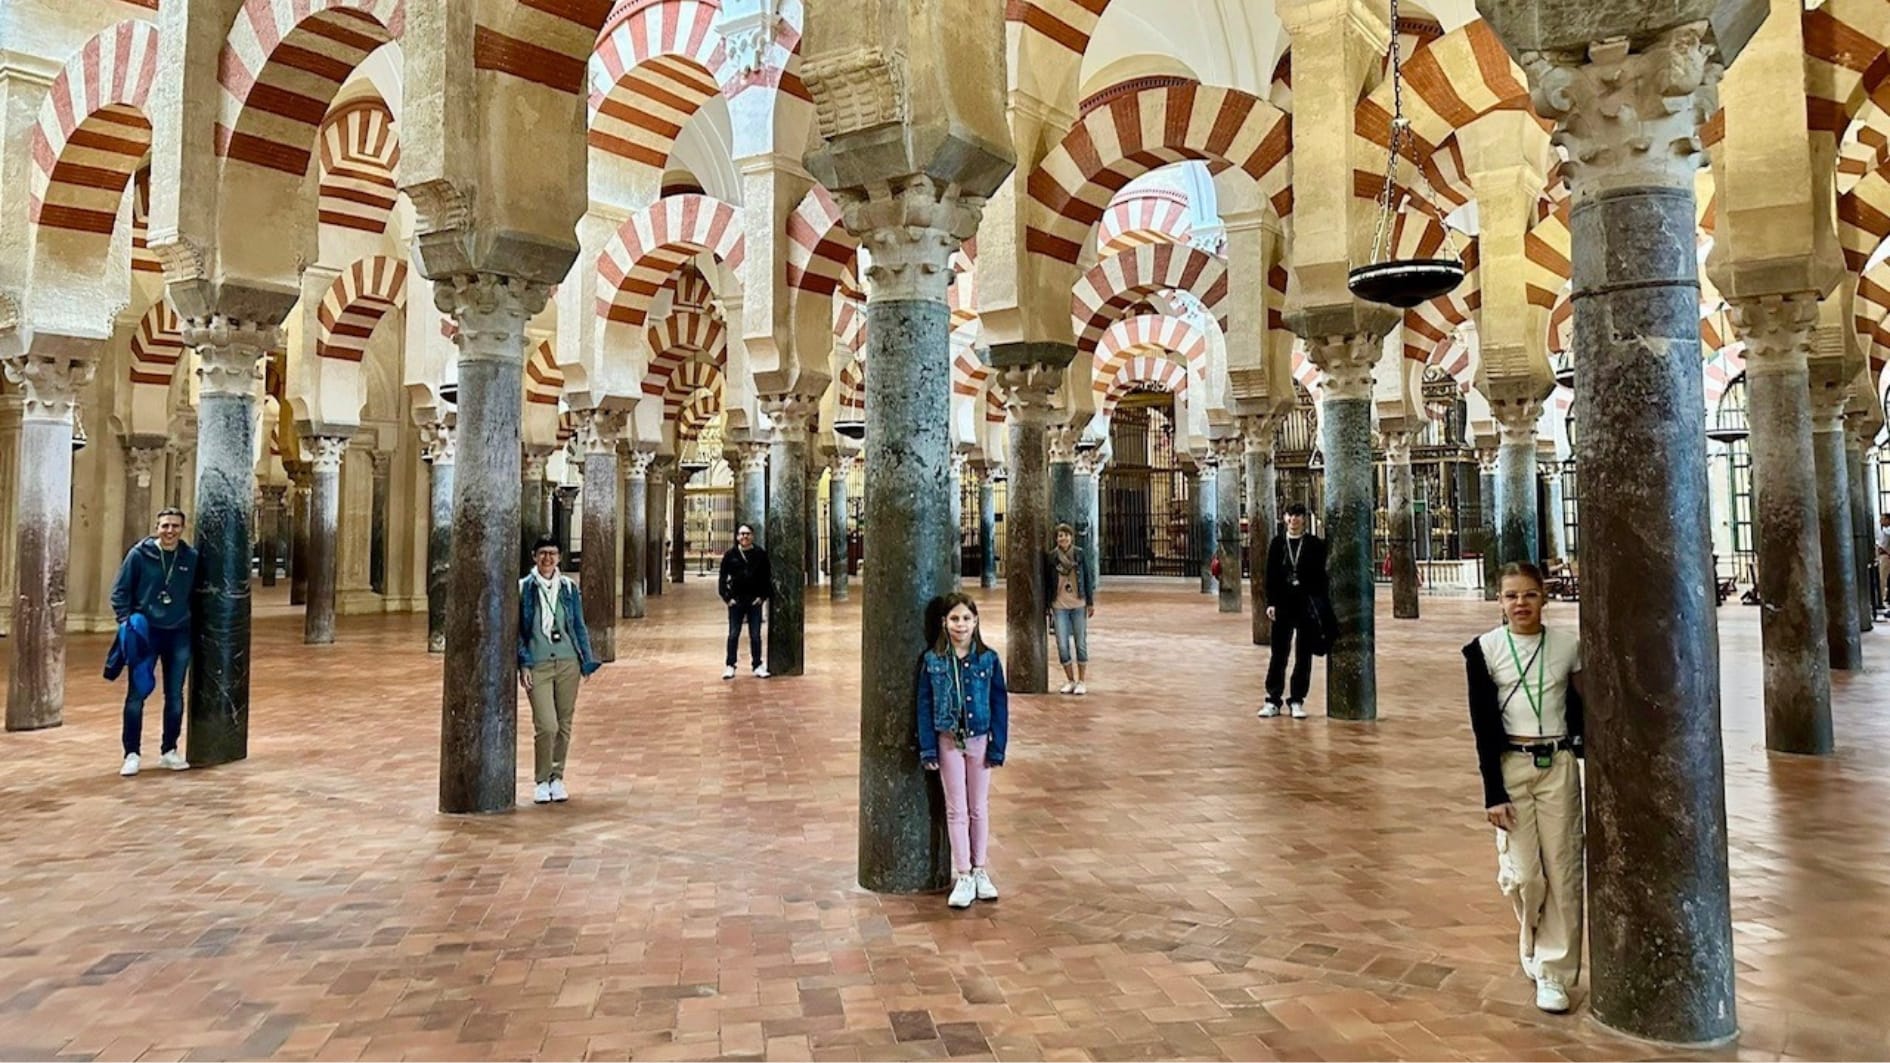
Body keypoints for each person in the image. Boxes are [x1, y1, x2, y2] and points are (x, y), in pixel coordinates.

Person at [1464, 561, 1585, 1014]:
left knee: (1563, 870)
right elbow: (1482, 725)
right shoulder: (1484, 650)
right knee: (1528, 877)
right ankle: (1531, 931)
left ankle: (1553, 972)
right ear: (1499, 601)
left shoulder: (1568, 647)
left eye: (1530, 594)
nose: (1521, 603)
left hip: (1556, 765)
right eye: (1511, 595)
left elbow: (1585, 707)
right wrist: (1492, 793)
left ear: (1544, 598)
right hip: (1510, 766)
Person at [918, 592, 1009, 909]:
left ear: (976, 622)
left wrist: (998, 746)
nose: (961, 625)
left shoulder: (988, 659)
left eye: (966, 618)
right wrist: (928, 748)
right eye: (955, 618)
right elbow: (924, 705)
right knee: (956, 808)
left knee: (978, 807)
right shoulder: (933, 660)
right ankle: (964, 874)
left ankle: (981, 869)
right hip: (947, 742)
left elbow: (999, 703)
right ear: (944, 622)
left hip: (979, 740)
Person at [109, 508, 198, 776]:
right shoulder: (139, 554)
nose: (170, 531)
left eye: (175, 526)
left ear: (182, 528)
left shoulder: (190, 557)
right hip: (146, 633)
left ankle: (169, 750)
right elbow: (120, 591)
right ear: (157, 527)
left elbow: (198, 593)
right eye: (165, 526)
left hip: (178, 633)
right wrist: (126, 621)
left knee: (175, 695)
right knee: (137, 693)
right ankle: (131, 753)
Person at [517, 537, 600, 805]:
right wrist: (524, 663)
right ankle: (542, 780)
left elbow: (578, 625)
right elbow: (518, 631)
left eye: (552, 553)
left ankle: (557, 777)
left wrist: (585, 660)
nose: (547, 558)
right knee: (546, 724)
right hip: (538, 663)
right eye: (542, 553)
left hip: (567, 662)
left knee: (564, 723)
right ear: (534, 556)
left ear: (559, 558)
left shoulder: (568, 588)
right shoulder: (524, 588)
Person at [1260, 502, 1328, 719]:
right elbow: (1270, 575)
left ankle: (1297, 700)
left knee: (1303, 655)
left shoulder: (1314, 544)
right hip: (1283, 604)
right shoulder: (1278, 543)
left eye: (1297, 515)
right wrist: (1271, 602)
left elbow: (1322, 576)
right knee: (1279, 653)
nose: (1293, 519)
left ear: (1304, 519)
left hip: (1306, 605)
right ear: (1284, 518)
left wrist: (1319, 604)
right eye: (1290, 515)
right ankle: (1273, 699)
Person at [1042, 522, 1095, 695]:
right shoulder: (1052, 557)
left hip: (1078, 604)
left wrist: (1090, 602)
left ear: (1071, 537)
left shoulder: (1079, 554)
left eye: (1065, 535)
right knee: (1062, 644)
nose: (1063, 538)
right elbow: (1047, 582)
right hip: (1059, 605)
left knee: (1080, 643)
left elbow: (1087, 577)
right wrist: (1047, 605)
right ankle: (1070, 680)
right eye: (1060, 536)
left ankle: (1082, 681)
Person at [718, 524, 771, 679]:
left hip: (754, 601)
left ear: (752, 536)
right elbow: (722, 578)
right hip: (736, 601)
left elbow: (766, 577)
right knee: (733, 634)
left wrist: (762, 597)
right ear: (737, 537)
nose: (744, 536)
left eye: (747, 533)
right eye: (741, 534)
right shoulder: (730, 555)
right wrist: (727, 598)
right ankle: (730, 665)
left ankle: (757, 665)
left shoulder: (760, 554)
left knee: (755, 635)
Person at [1876, 512, 1889, 618]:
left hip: (1885, 557)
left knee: (1882, 578)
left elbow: (1882, 546)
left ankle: (1880, 600)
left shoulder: (1886, 531)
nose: (1881, 521)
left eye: (1883, 519)